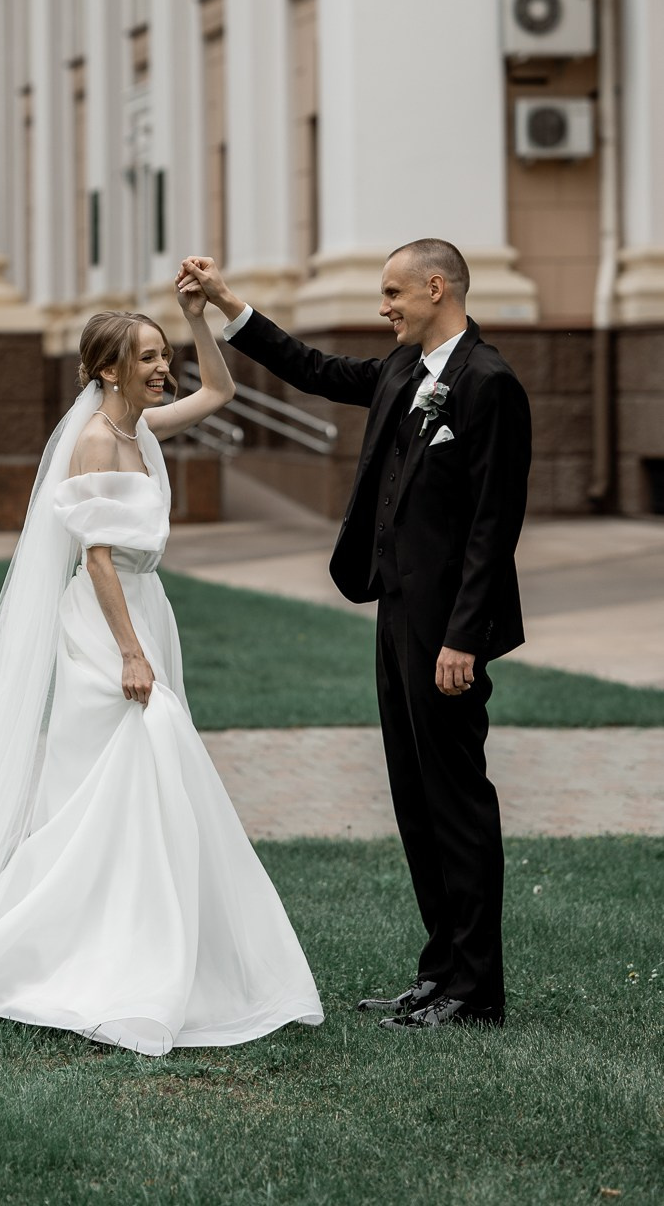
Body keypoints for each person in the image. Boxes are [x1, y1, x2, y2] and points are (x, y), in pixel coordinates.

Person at [0, 288, 323, 1056]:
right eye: (146, 356)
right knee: (136, 765)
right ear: (106, 371)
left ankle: (140, 934)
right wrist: (129, 652)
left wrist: (201, 320)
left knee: (135, 782)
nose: (160, 366)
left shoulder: (142, 427)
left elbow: (220, 390)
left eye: (159, 352)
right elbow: (96, 556)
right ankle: (100, 953)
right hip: (108, 626)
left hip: (146, 609)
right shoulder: (97, 445)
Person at [178, 242, 531, 1032]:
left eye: (394, 293)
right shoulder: (403, 373)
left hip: (450, 633)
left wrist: (463, 640)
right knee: (413, 797)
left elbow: (492, 526)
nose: (385, 307)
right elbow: (312, 368)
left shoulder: (490, 383)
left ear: (437, 288)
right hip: (397, 616)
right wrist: (228, 306)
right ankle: (439, 974)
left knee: (456, 802)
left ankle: (476, 992)